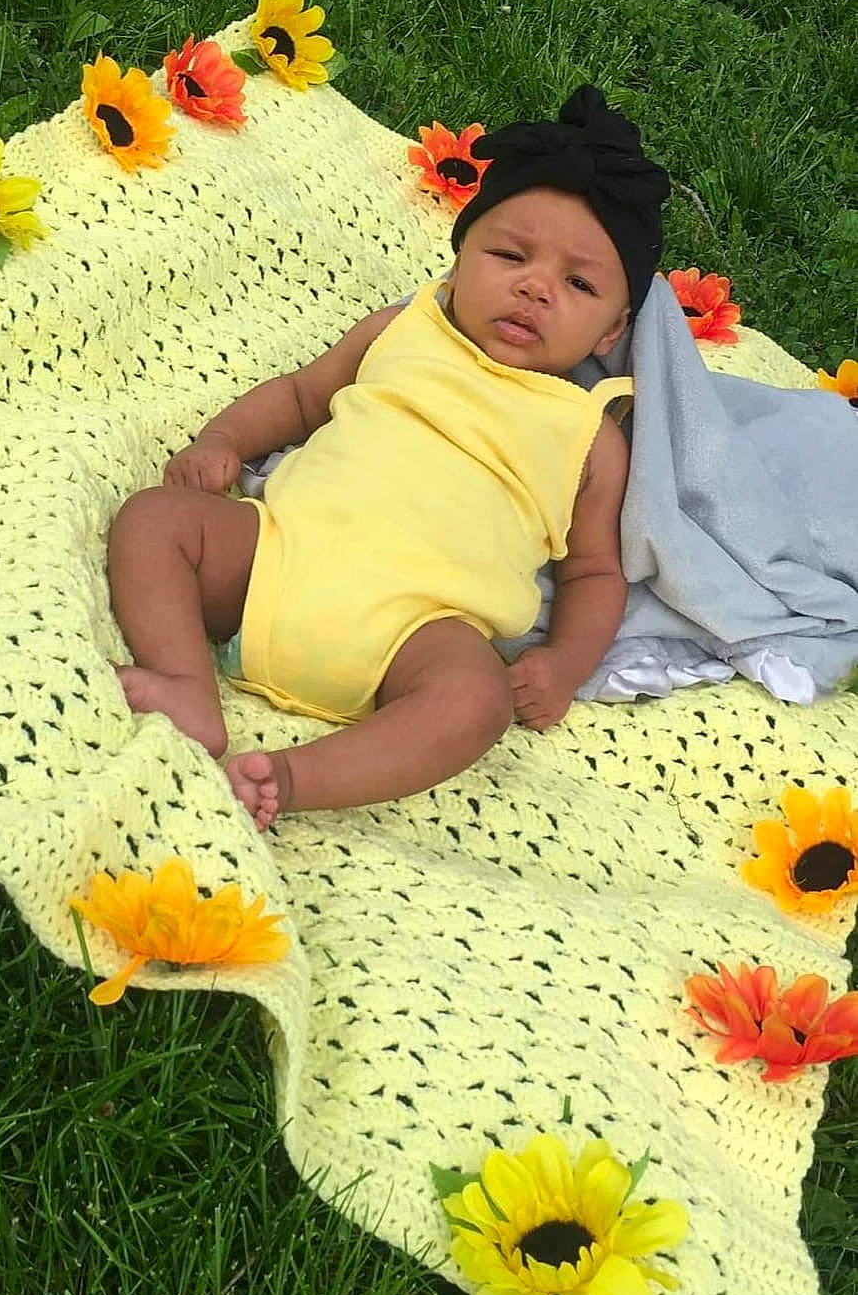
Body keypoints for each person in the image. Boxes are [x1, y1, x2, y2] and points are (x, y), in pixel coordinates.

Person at [106, 87, 671, 828]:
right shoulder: (401, 331)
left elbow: (594, 570)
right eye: (509, 254)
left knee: (475, 703)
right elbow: (302, 397)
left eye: (578, 283)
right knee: (155, 520)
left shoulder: (589, 433)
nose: (534, 287)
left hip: (416, 636)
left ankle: (290, 779)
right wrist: (220, 441)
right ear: (458, 261)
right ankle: (184, 685)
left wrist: (565, 662)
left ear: (611, 330)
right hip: (273, 560)